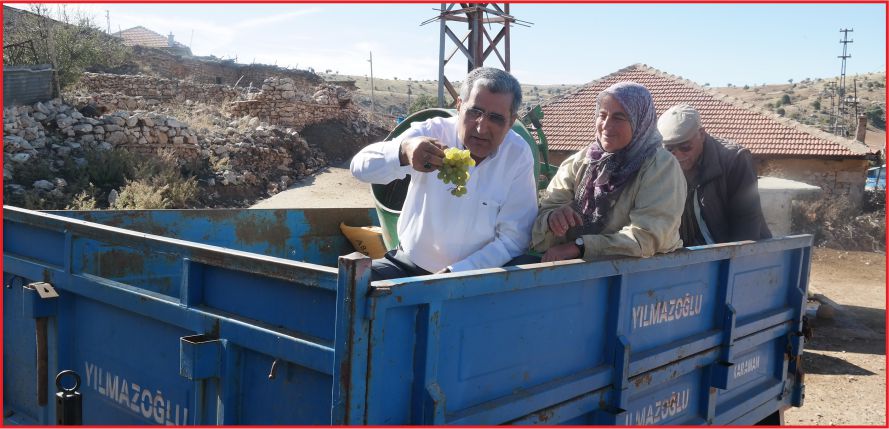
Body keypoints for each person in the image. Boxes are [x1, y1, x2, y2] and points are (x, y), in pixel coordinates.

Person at [351, 67, 538, 280]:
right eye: (474, 112)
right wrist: (403, 152)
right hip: (408, 266)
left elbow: (515, 238)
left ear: (511, 121)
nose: (481, 128)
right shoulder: (432, 132)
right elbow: (359, 167)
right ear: (459, 106)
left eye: (495, 118)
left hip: (475, 278)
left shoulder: (518, 154)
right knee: (352, 287)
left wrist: (457, 273)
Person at [531, 82, 685, 262]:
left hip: (642, 277)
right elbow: (542, 215)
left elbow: (648, 236)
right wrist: (552, 219)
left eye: (619, 118)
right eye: (602, 115)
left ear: (639, 121)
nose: (606, 125)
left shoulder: (660, 167)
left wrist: (581, 247)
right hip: (578, 276)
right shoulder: (582, 161)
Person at [657, 103, 772, 246]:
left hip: (734, 254)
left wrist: (733, 264)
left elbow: (746, 220)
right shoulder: (662, 164)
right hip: (691, 256)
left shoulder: (734, 160)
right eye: (670, 149)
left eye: (685, 147)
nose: (678, 155)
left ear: (702, 134)